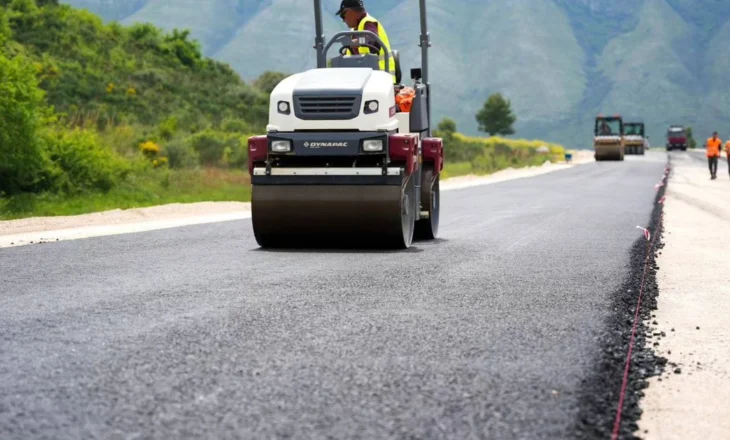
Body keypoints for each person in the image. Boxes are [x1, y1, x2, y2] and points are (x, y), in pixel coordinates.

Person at [336, 0, 397, 84]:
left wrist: (358, 42)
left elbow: (371, 39)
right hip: (364, 80)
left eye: (343, 16)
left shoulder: (368, 23)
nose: (344, 20)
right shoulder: (353, 31)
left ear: (349, 12)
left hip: (381, 80)